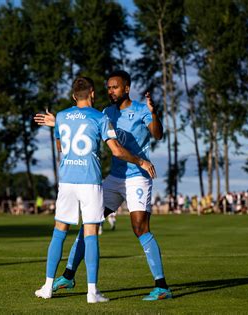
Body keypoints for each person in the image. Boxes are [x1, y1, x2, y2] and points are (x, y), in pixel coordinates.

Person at [35, 70, 171, 301]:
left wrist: (153, 113)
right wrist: (56, 121)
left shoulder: (140, 109)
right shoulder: (105, 112)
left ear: (126, 88)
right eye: (108, 87)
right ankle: (68, 276)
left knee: (139, 228)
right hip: (114, 178)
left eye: (115, 87)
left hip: (138, 175)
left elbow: (157, 135)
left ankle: (162, 286)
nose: (111, 91)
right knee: (91, 223)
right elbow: (84, 124)